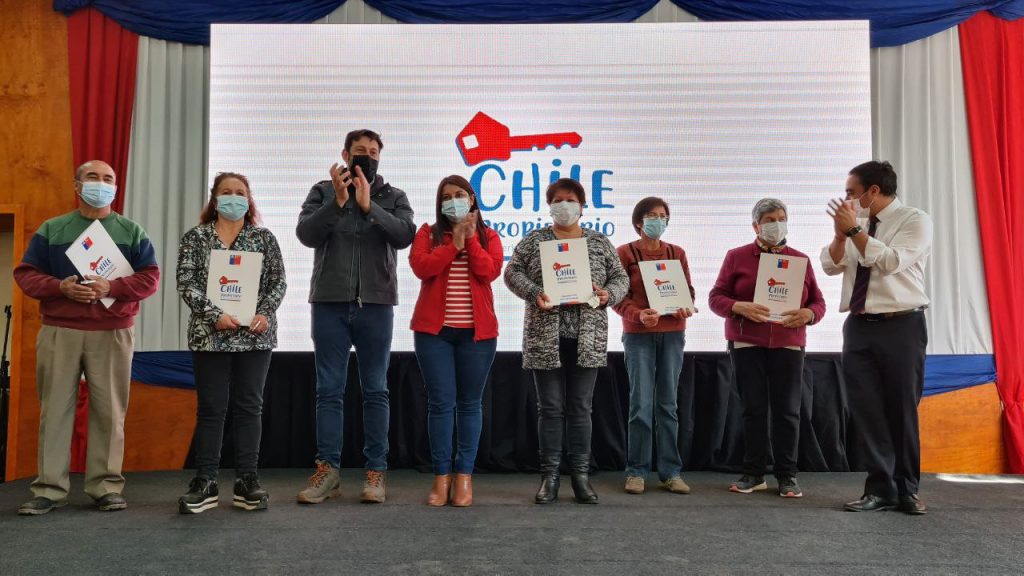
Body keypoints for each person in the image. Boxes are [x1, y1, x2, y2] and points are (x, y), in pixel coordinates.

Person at [13, 160, 160, 515]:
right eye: (93, 177)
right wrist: (59, 287)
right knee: (54, 410)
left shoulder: (131, 231)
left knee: (110, 412)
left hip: (112, 331)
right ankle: (49, 489)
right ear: (77, 185)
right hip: (60, 330)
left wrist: (112, 287)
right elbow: (26, 274)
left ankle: (105, 486)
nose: (101, 183)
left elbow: (150, 278)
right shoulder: (53, 229)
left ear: (116, 187)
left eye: (108, 178)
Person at [295, 129, 415, 504]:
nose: (367, 156)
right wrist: (338, 201)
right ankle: (327, 471)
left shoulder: (394, 196)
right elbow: (306, 234)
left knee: (376, 389)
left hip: (376, 304)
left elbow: (404, 236)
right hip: (329, 302)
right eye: (360, 150)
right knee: (329, 390)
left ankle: (375, 472)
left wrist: (369, 207)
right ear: (345, 154)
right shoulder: (323, 191)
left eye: (373, 151)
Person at [504, 178, 629, 505]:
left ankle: (581, 477)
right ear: (549, 206)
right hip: (545, 336)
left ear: (582, 206)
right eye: (558, 200)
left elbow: (621, 278)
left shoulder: (599, 241)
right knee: (550, 408)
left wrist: (608, 294)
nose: (565, 206)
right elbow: (512, 273)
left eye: (571, 200)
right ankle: (550, 477)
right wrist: (535, 292)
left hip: (588, 337)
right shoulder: (535, 240)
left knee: (581, 408)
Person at [821, 161, 932, 515]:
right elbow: (830, 265)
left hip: (901, 325)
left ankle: (907, 490)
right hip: (858, 326)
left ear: (873, 191)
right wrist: (841, 236)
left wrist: (854, 230)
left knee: (902, 408)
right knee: (867, 410)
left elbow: (891, 261)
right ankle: (880, 489)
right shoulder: (857, 225)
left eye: (851, 192)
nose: (847, 200)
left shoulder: (914, 220)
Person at [175, 172, 287, 514]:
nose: (234, 198)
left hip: (254, 335)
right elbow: (186, 282)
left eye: (240, 192)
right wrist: (214, 314)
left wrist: (264, 312)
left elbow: (278, 282)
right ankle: (206, 481)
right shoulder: (196, 237)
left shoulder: (263, 238)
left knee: (250, 407)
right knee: (211, 409)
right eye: (227, 192)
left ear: (249, 199)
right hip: (210, 335)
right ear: (214, 198)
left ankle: (247, 481)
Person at [708, 198, 825, 498]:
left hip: (788, 344)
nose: (777, 224)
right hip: (747, 343)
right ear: (756, 226)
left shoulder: (800, 260)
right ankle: (754, 473)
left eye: (781, 218)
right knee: (753, 410)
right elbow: (715, 298)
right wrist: (738, 306)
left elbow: (818, 302)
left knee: (788, 412)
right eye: (770, 220)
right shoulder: (736, 257)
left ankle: (787, 475)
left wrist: (809, 314)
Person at [410, 175, 503, 507]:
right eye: (446, 197)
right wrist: (454, 245)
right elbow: (422, 268)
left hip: (477, 336)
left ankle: (464, 476)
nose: (453, 201)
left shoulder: (490, 235)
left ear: (472, 199)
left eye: (460, 194)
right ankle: (441, 477)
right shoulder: (427, 233)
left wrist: (470, 239)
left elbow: (489, 271)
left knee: (469, 404)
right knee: (440, 404)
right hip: (434, 335)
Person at [613, 197, 695, 495]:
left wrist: (685, 306)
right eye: (652, 215)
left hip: (672, 333)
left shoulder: (676, 253)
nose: (658, 220)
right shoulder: (625, 253)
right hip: (639, 335)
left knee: (668, 405)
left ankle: (671, 472)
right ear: (639, 221)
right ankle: (637, 471)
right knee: (640, 405)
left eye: (663, 216)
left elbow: (688, 292)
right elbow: (618, 297)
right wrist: (638, 315)